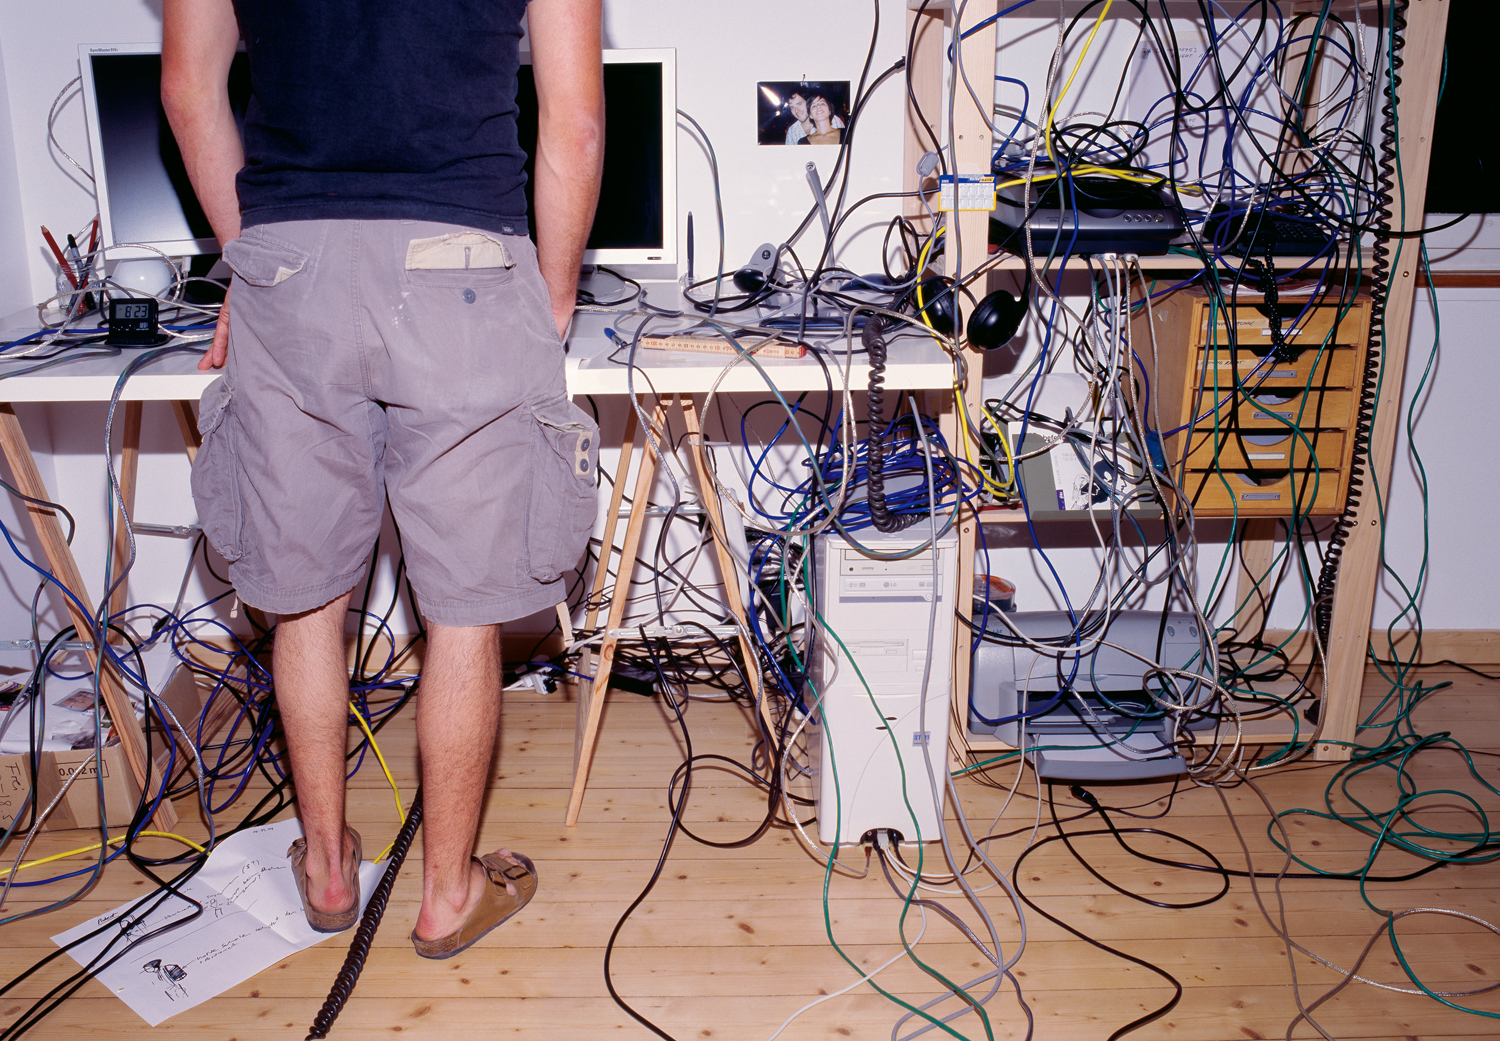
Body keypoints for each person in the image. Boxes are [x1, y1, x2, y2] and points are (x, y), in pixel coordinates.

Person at [161, 0, 603, 959]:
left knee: (306, 598)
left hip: (292, 263)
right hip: (466, 262)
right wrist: (553, 299)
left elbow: (190, 92)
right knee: (463, 610)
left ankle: (325, 868)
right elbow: (573, 122)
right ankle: (448, 892)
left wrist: (258, 262)